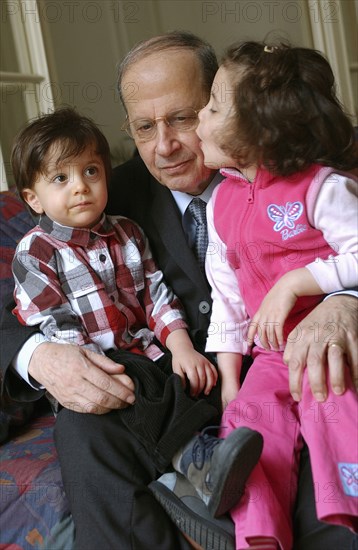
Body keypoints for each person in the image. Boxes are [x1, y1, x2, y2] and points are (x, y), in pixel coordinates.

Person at [0, 31, 357, 550]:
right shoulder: (96, 190)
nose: (164, 145)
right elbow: (12, 307)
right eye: (145, 127)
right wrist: (41, 355)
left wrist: (345, 300)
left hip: (283, 369)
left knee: (315, 428)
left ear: (225, 107)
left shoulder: (302, 161)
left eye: (183, 118)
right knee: (83, 426)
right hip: (166, 391)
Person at [151, 40, 358, 550]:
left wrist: (297, 281)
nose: (199, 116)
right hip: (265, 356)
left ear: (258, 130)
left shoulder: (321, 187)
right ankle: (259, 536)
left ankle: (346, 509)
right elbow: (229, 301)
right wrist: (228, 379)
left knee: (328, 401)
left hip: (322, 341)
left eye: (213, 106)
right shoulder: (222, 202)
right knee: (247, 431)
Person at [10, 106, 263, 517]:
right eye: (61, 178)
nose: (81, 187)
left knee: (192, 378)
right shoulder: (36, 252)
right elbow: (54, 321)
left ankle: (192, 475)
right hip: (94, 367)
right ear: (33, 198)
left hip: (145, 351)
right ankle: (193, 461)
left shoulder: (127, 232)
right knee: (143, 387)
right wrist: (91, 367)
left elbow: (155, 297)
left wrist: (181, 348)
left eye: (90, 171)